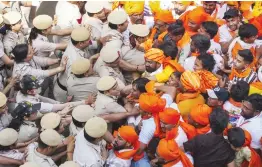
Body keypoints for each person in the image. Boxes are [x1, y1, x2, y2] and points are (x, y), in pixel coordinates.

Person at [53, 27, 92, 102]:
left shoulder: (74, 41)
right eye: (88, 40)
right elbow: (75, 81)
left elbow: (91, 43)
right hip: (66, 92)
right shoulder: (74, 60)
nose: (90, 41)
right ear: (80, 43)